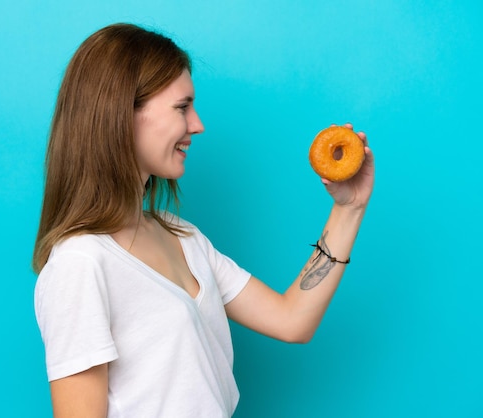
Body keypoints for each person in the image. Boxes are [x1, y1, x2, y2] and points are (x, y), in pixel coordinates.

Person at [33, 22, 375, 418]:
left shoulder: (181, 235)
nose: (197, 124)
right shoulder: (80, 263)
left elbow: (292, 319)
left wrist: (348, 207)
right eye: (182, 107)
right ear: (121, 113)